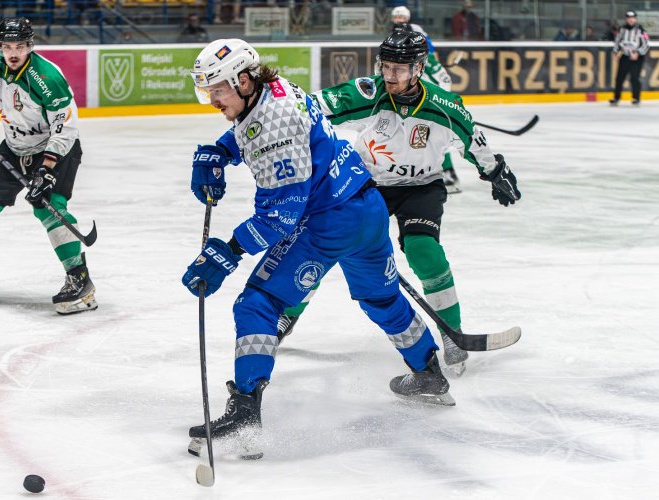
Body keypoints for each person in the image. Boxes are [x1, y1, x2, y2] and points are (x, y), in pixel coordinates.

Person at [182, 38, 455, 457]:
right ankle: (428, 373)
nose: (213, 100)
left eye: (217, 89)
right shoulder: (276, 88)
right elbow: (253, 129)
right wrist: (222, 150)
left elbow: (279, 217)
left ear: (242, 79)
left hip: (328, 222)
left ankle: (244, 418)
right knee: (380, 298)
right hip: (367, 208)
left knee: (258, 303)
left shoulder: (271, 127)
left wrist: (228, 251)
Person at [276, 27, 522, 378]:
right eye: (385, 67)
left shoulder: (445, 107)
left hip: (420, 187)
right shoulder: (369, 93)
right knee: (325, 244)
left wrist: (495, 171)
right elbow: (312, 108)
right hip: (365, 182)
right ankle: (289, 312)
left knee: (425, 253)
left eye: (399, 69)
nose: (389, 76)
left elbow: (473, 140)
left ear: (419, 69)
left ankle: (451, 334)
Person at [0, 17, 98, 315]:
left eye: (20, 47)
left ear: (30, 46)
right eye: (7, 46)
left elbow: (65, 127)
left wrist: (47, 169)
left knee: (50, 208)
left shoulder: (46, 78)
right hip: (13, 147)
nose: (13, 53)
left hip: (54, 149)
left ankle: (80, 279)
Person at [390, 6, 460, 194]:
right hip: (412, 106)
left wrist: (438, 101)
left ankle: (449, 176)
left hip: (429, 105)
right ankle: (417, 176)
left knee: (434, 140)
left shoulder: (425, 59)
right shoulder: (399, 60)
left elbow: (445, 80)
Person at [610, 10, 650, 106]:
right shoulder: (622, 30)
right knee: (619, 78)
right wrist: (615, 53)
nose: (631, 20)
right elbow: (617, 42)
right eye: (629, 18)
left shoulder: (641, 30)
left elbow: (646, 44)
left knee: (634, 78)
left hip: (637, 58)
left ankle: (636, 98)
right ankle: (616, 98)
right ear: (626, 19)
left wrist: (637, 53)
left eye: (633, 18)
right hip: (625, 56)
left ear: (635, 19)